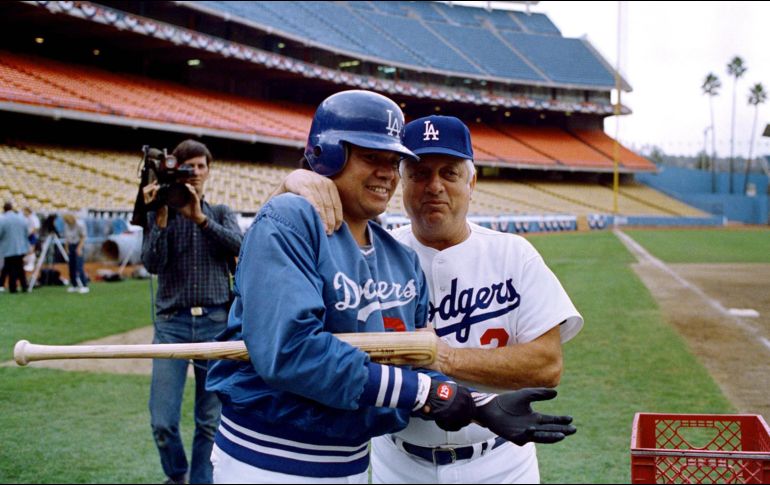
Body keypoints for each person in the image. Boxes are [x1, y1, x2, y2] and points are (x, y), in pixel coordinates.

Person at [205, 91, 575, 484]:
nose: (386, 172)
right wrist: (423, 392)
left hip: (350, 462)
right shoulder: (289, 217)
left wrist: (479, 405)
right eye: (371, 157)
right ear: (328, 154)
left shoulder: (397, 258)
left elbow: (405, 364)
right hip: (268, 459)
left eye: (393, 161)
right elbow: (293, 350)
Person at [141, 139, 243, 485]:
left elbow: (240, 248)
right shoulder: (160, 212)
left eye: (202, 166)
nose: (196, 172)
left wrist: (200, 219)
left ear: (209, 171)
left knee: (209, 420)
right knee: (162, 420)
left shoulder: (220, 212)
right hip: (172, 324)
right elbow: (152, 263)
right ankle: (177, 474)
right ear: (178, 170)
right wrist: (161, 220)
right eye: (190, 167)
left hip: (216, 321)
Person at [0, 201, 30, 293]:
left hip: (9, 247)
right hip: (21, 247)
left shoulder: (3, 219)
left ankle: (13, 287)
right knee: (20, 267)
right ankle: (24, 286)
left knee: (11, 268)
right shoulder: (21, 218)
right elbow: (26, 232)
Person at [62, 213, 89, 293]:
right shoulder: (66, 226)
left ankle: (84, 285)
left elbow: (83, 237)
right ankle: (74, 285)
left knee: (79, 265)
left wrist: (79, 248)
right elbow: (66, 238)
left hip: (78, 244)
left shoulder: (80, 224)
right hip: (71, 245)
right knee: (71, 266)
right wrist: (66, 248)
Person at [22, 206, 40, 272]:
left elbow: (36, 228)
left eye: (24, 211)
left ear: (28, 211)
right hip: (26, 236)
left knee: (31, 250)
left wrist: (29, 233)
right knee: (26, 251)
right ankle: (27, 264)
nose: (23, 213)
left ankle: (31, 264)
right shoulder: (25, 218)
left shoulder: (34, 218)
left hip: (32, 236)